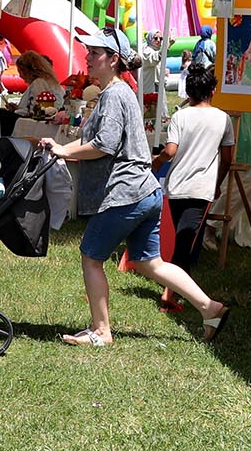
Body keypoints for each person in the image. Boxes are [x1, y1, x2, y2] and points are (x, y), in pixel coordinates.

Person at [41, 27, 230, 347]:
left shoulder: (115, 94)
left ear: (114, 60)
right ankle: (210, 308)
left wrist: (63, 150)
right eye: (88, 52)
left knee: (90, 256)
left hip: (125, 192)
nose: (88, 57)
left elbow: (105, 144)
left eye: (95, 53)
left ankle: (101, 331)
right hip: (146, 192)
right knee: (148, 262)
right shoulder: (118, 92)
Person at [154, 62, 234, 280]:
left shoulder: (180, 116)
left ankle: (173, 291)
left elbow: (170, 151)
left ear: (188, 92)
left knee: (183, 240)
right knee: (184, 241)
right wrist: (218, 183)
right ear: (213, 91)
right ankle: (173, 292)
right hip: (202, 187)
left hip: (177, 185)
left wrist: (158, 161)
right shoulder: (223, 118)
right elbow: (227, 159)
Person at [11, 50, 63, 116]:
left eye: (20, 71)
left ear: (27, 71)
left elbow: (35, 108)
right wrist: (17, 108)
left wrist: (16, 111)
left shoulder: (39, 83)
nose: (20, 76)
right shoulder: (47, 81)